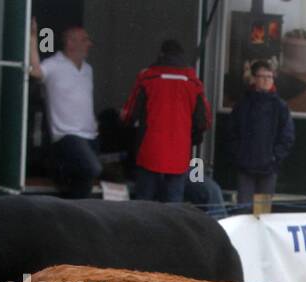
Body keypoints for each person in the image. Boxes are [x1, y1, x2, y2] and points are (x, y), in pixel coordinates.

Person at [122, 39, 211, 204]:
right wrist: (191, 137)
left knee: (143, 204)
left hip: (150, 150)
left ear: (161, 54)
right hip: (179, 154)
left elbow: (129, 114)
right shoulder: (193, 82)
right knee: (173, 207)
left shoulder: (147, 78)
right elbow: (203, 121)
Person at [29, 21, 101, 199]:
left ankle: (75, 213)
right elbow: (36, 71)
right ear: (70, 43)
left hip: (90, 135)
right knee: (92, 168)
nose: (89, 44)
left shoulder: (88, 69)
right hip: (67, 136)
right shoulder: (54, 65)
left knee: (81, 182)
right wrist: (32, 39)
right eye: (84, 40)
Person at [227, 60, 295, 213]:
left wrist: (275, 157)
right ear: (254, 79)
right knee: (243, 211)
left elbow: (287, 136)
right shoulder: (243, 104)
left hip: (268, 169)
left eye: (269, 77)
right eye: (262, 76)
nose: (266, 80)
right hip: (245, 167)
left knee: (262, 214)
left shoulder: (280, 106)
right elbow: (231, 131)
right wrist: (239, 154)